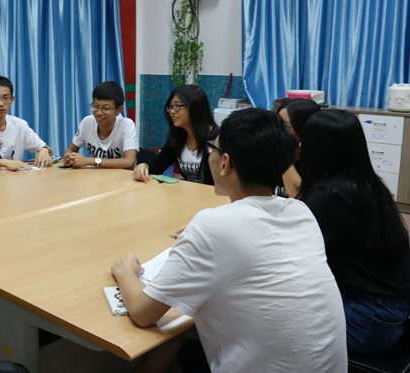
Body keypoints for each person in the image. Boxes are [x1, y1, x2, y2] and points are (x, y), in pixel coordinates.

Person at [111, 108, 346, 373]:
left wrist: (125, 270)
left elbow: (143, 313)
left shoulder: (213, 225)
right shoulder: (301, 212)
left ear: (225, 163)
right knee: (176, 339)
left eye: (211, 148)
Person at [299, 109, 410, 355]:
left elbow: (298, 254)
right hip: (391, 308)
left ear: (317, 148)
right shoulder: (367, 183)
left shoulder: (330, 195)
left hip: (371, 321)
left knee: (268, 314)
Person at [133, 85, 218, 183]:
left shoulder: (216, 139)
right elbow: (158, 165)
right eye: (170, 107)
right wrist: (144, 166)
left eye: (177, 106)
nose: (172, 112)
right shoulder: (178, 137)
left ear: (195, 107)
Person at [63, 81, 138, 169]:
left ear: (119, 109)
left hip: (122, 176)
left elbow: (129, 162)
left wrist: (89, 161)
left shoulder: (126, 125)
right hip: (96, 175)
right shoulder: (87, 122)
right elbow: (70, 150)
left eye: (105, 108)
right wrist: (69, 158)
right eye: (95, 106)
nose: (98, 113)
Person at [274, 98, 321, 197]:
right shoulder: (272, 155)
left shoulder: (318, 164)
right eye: (277, 124)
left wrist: (286, 158)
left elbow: (301, 198)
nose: (278, 131)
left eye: (286, 127)